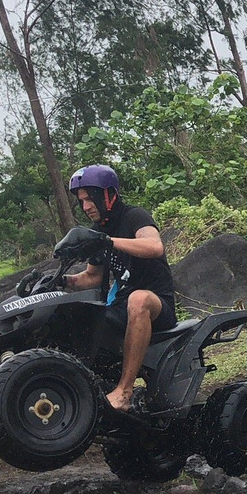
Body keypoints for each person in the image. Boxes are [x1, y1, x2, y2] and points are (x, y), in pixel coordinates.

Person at [61, 164, 177, 412]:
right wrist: (62, 282)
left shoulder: (135, 216)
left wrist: (109, 241)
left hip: (157, 304)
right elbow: (92, 277)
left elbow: (155, 247)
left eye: (90, 199)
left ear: (108, 195)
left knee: (138, 299)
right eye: (81, 202)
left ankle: (124, 391)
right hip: (121, 306)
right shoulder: (98, 231)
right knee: (80, 316)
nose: (86, 206)